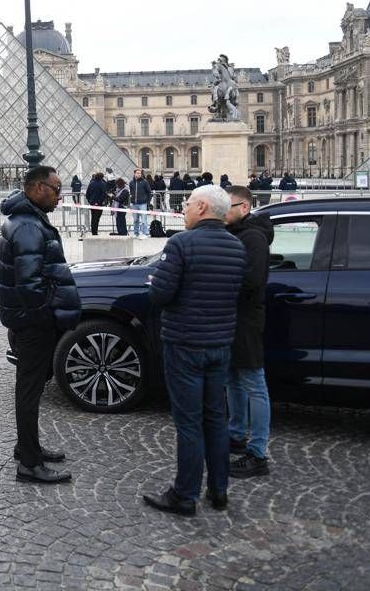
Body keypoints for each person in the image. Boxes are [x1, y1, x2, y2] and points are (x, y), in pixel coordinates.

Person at [142, 184, 245, 516]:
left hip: (185, 344)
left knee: (188, 423)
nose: (183, 210)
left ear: (201, 207)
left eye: (187, 204)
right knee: (216, 419)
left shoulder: (181, 244)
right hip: (219, 344)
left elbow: (160, 295)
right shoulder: (235, 246)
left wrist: (155, 282)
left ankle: (185, 495)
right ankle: (219, 491)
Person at [0, 165, 81, 484]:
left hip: (24, 320)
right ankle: (29, 464)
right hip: (33, 323)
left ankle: (26, 447)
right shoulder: (29, 226)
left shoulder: (26, 220)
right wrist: (48, 317)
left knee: (28, 388)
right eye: (57, 189)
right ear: (38, 188)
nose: (61, 196)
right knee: (29, 392)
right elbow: (31, 285)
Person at [224, 185, 274, 480]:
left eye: (227, 206)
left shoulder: (252, 237)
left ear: (244, 207)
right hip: (234, 317)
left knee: (254, 381)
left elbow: (251, 281)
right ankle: (235, 434)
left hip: (246, 319)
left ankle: (257, 453)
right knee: (233, 378)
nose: (222, 212)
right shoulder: (239, 233)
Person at [128, 168, 152, 239]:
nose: (139, 174)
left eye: (140, 173)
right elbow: (131, 193)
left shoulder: (145, 182)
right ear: (134, 173)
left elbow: (149, 192)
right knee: (135, 220)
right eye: (137, 173)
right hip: (134, 204)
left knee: (144, 219)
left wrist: (147, 201)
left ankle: (145, 233)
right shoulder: (131, 183)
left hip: (142, 203)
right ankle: (136, 233)